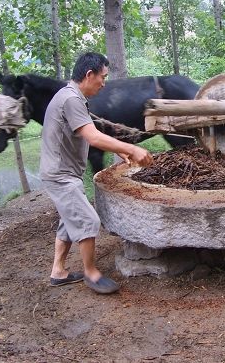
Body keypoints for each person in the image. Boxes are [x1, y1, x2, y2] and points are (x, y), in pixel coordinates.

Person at [40, 52, 153, 294]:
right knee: (88, 221)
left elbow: (89, 131)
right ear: (89, 75)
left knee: (69, 221)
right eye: (103, 77)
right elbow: (92, 136)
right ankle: (91, 273)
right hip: (60, 176)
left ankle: (58, 272)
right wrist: (131, 148)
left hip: (60, 172)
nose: (104, 83)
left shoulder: (70, 96)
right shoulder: (71, 99)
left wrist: (120, 150)